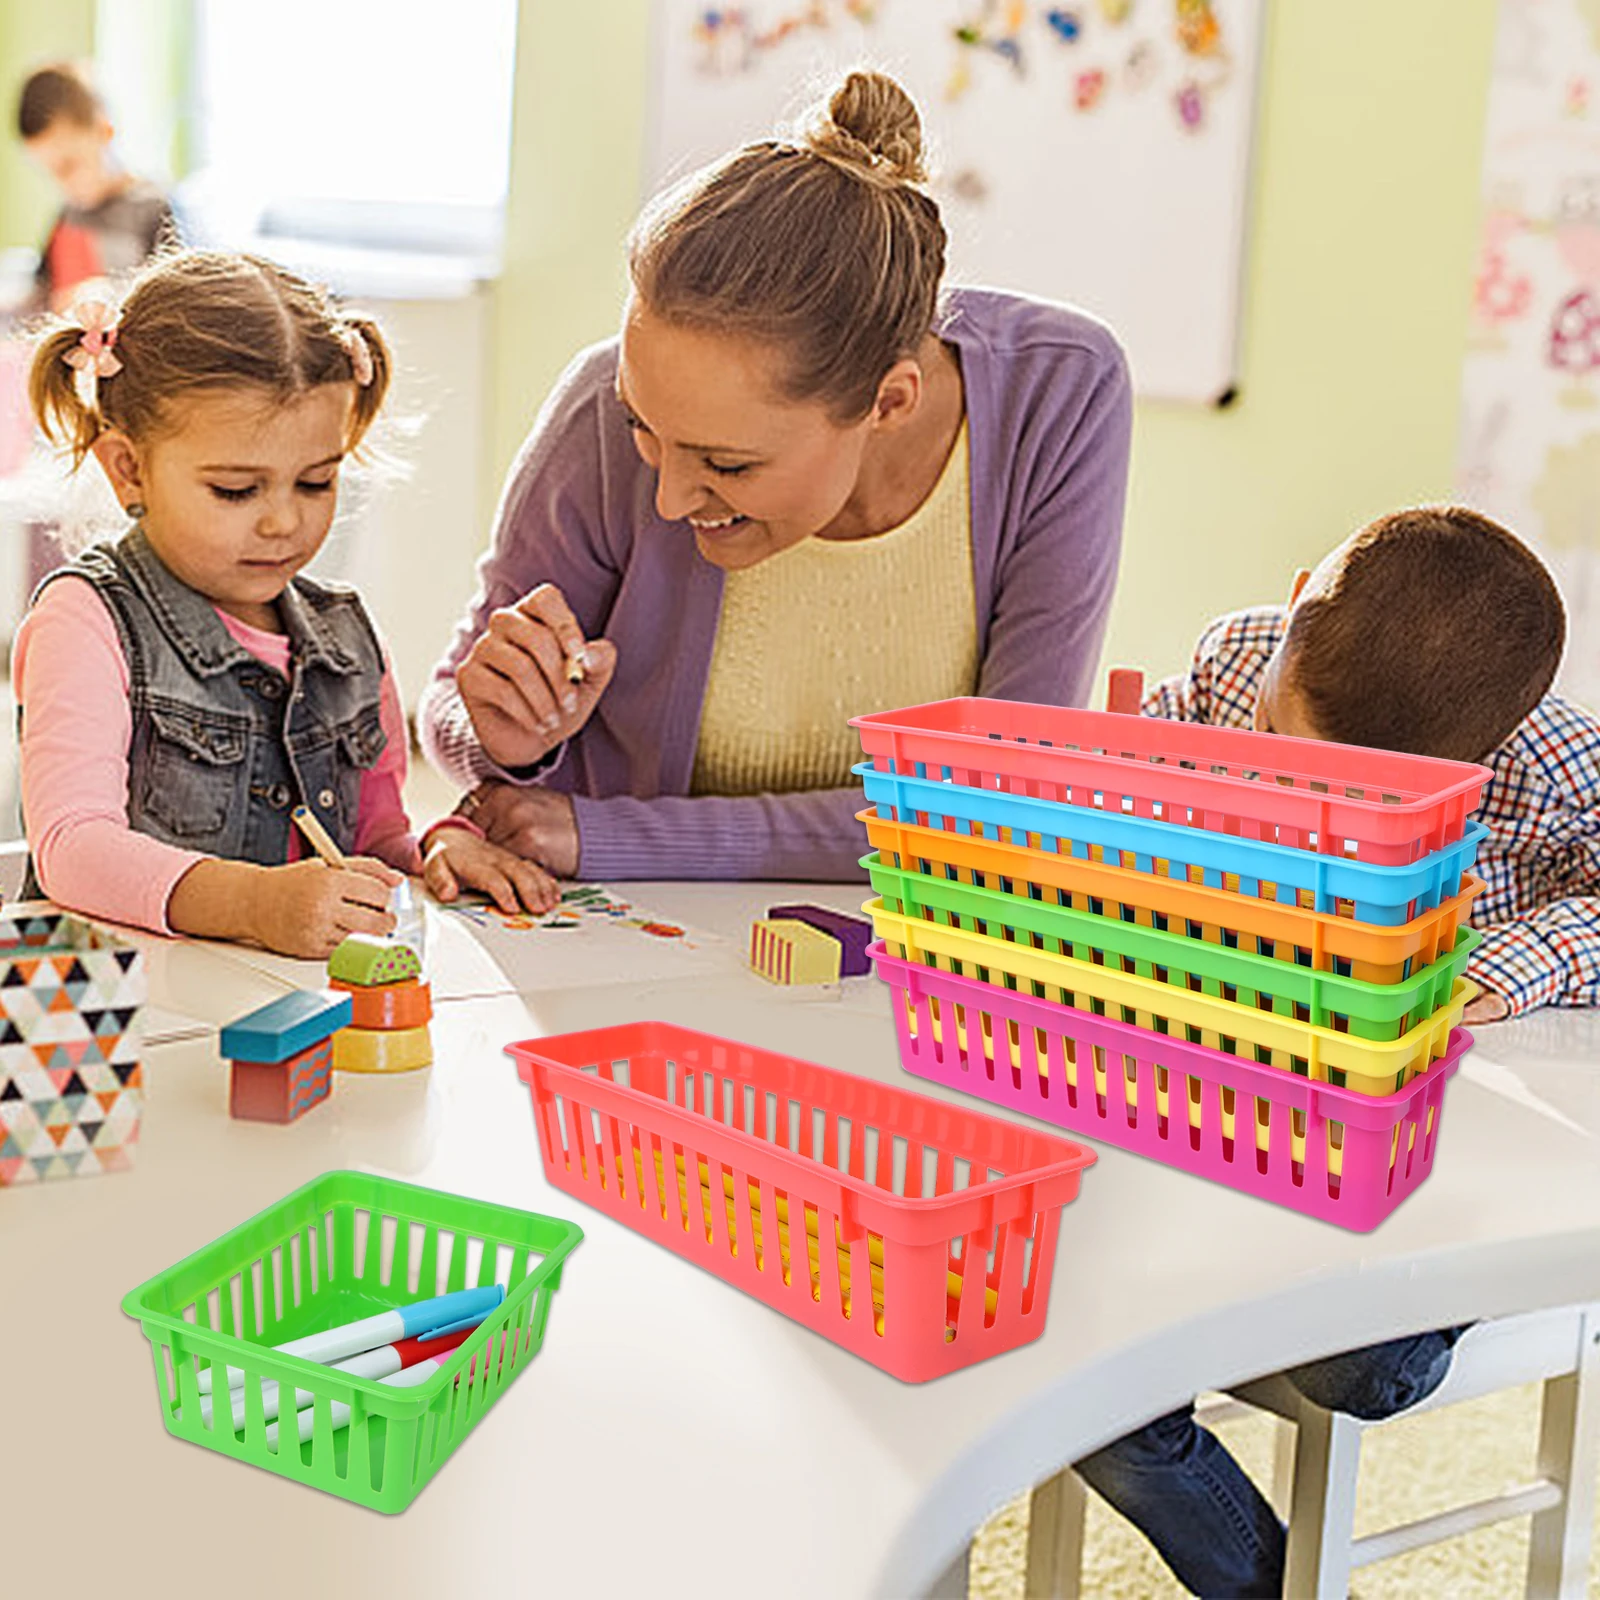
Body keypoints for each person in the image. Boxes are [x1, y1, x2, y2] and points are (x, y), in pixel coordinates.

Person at [419, 69, 1132, 881]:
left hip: (896, 966)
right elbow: (452, 704)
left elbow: (999, 805)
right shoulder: (597, 400)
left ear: (888, 402)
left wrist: (620, 835)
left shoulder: (1060, 394)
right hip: (625, 945)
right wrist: (504, 738)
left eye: (727, 463)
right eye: (643, 430)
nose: (669, 498)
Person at [1077, 503, 1595, 1599]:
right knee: (1077, 1356)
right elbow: (1126, 795)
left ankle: (1418, 1306)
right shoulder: (1231, 664)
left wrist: (1496, 969)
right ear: (1300, 594)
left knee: (1351, 1365)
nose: (1315, 799)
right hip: (1242, 1137)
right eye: (1289, 742)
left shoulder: (1552, 769)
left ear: (1484, 756)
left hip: (1432, 1163)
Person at [14, 250, 558, 958]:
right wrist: (253, 903)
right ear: (129, 469)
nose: (282, 522)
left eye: (315, 482)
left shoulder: (347, 636)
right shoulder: (86, 619)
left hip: (283, 1017)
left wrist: (437, 851)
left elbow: (373, 840)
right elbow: (73, 848)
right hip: (119, 1027)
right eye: (237, 490)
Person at [15, 61, 176, 315]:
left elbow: (172, 301)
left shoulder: (154, 209)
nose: (63, 184)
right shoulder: (68, 215)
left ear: (104, 133)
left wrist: (104, 294)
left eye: (69, 166)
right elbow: (39, 295)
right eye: (51, 173)